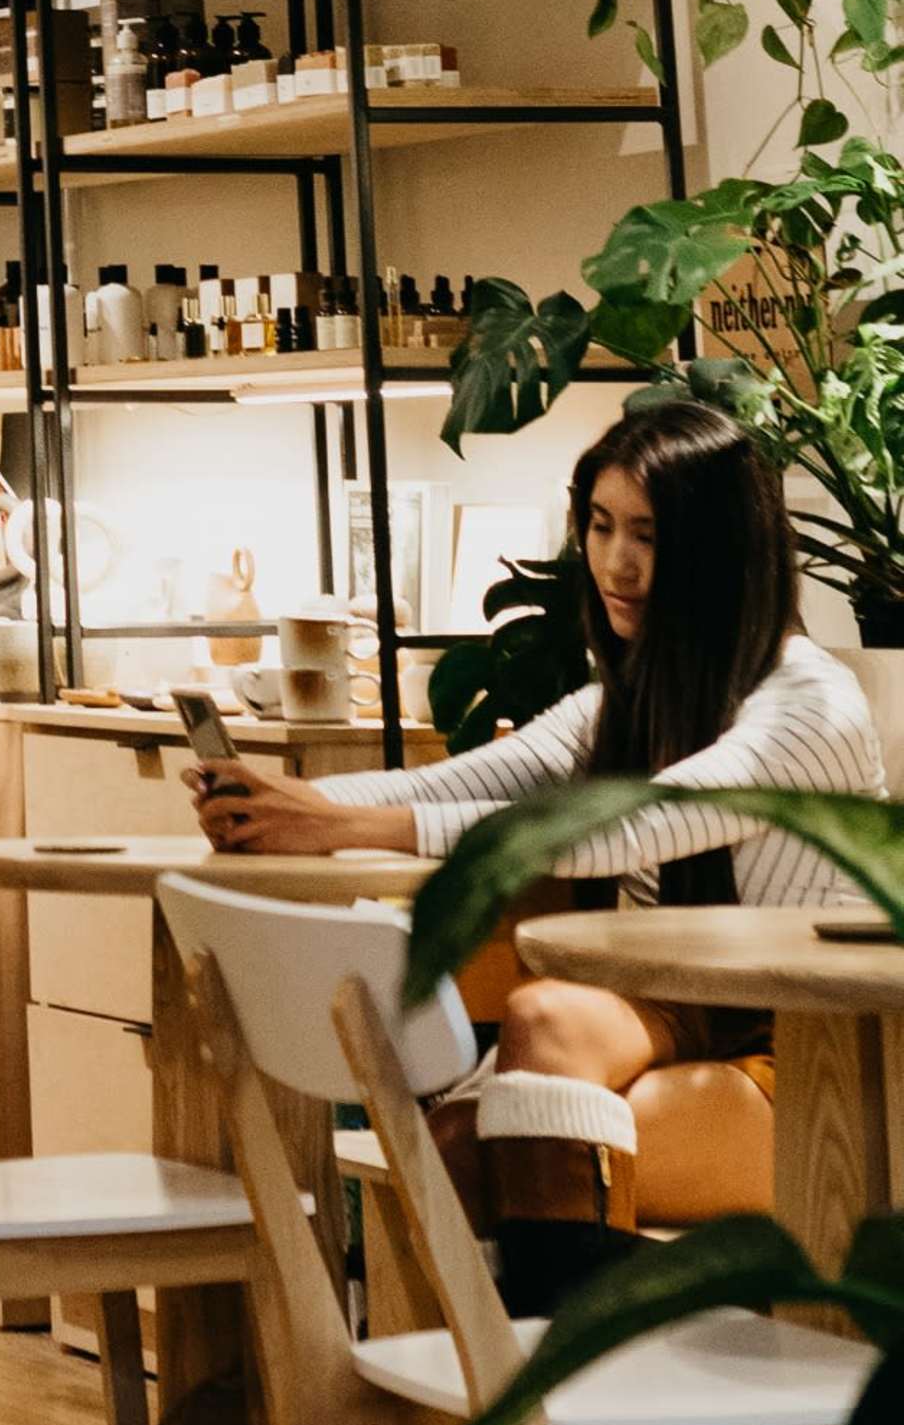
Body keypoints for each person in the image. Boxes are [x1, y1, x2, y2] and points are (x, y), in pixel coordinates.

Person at [190, 391, 883, 1297]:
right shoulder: (632, 697)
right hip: (664, 1022)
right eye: (599, 526)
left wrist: (338, 825)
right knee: (467, 1121)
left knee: (515, 1077)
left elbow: (622, 823)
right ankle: (463, 1417)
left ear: (720, 552)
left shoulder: (810, 706)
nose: (617, 562)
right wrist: (293, 802)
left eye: (649, 533)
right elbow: (458, 783)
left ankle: (558, 1404)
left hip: (810, 1064)